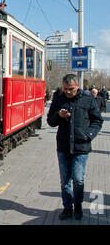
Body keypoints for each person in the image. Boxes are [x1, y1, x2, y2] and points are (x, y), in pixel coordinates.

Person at [47, 74, 103, 221]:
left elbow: (97, 120)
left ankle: (78, 205)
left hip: (81, 146)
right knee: (65, 180)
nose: (68, 92)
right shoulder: (59, 99)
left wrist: (89, 135)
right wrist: (58, 115)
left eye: (71, 89)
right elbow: (50, 121)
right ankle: (67, 208)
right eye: (65, 89)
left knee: (78, 179)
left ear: (77, 86)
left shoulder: (88, 99)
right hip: (63, 146)